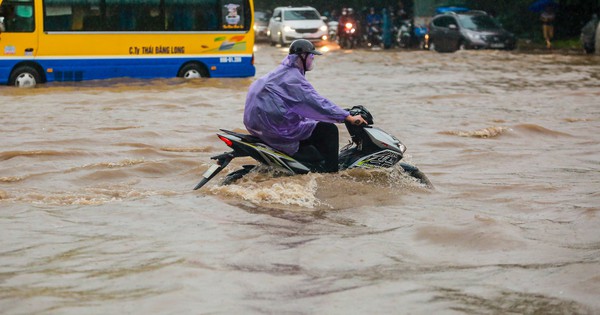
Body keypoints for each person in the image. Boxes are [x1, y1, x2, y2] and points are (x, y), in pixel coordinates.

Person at [243, 39, 367, 173]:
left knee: (312, 123)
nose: (312, 60)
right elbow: (316, 103)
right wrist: (347, 117)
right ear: (302, 57)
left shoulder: (282, 72)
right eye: (311, 56)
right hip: (276, 129)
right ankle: (330, 172)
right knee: (329, 129)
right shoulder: (292, 78)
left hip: (261, 126)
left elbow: (301, 105)